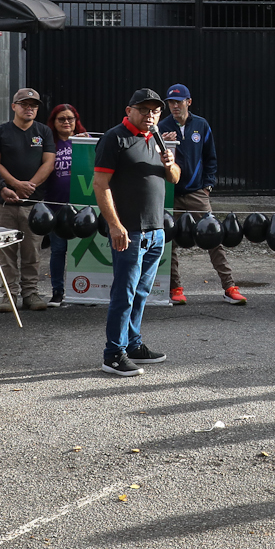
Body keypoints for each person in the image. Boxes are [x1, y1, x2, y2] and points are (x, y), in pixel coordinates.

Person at [94, 89, 180, 377]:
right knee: (124, 293)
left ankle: (132, 345)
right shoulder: (114, 138)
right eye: (144, 109)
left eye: (155, 110)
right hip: (129, 232)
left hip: (155, 230)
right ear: (129, 109)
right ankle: (113, 354)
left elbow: (175, 177)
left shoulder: (155, 138)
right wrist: (115, 225)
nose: (150, 115)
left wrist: (170, 164)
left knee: (141, 292)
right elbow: (100, 184)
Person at [157, 84, 244, 306]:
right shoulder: (161, 126)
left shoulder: (201, 125)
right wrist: (162, 143)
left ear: (189, 102)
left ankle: (229, 287)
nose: (174, 106)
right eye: (171, 102)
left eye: (179, 101)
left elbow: (210, 158)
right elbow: (152, 158)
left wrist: (208, 186)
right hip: (171, 193)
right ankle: (175, 288)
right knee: (171, 241)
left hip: (197, 192)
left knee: (213, 237)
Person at [0, 88, 56, 313]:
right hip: (4, 202)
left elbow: (48, 162)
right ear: (13, 106)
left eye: (33, 105)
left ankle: (30, 293)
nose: (29, 109)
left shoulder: (43, 131)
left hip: (33, 204)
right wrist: (15, 184)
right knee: (5, 253)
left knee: (32, 252)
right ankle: (9, 295)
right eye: (24, 104)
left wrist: (30, 186)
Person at [45, 103, 87, 306]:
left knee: (82, 249)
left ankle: (84, 291)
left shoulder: (84, 141)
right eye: (61, 119)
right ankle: (57, 292)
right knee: (58, 250)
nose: (66, 122)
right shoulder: (49, 143)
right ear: (54, 122)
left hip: (80, 207)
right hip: (56, 206)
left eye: (70, 118)